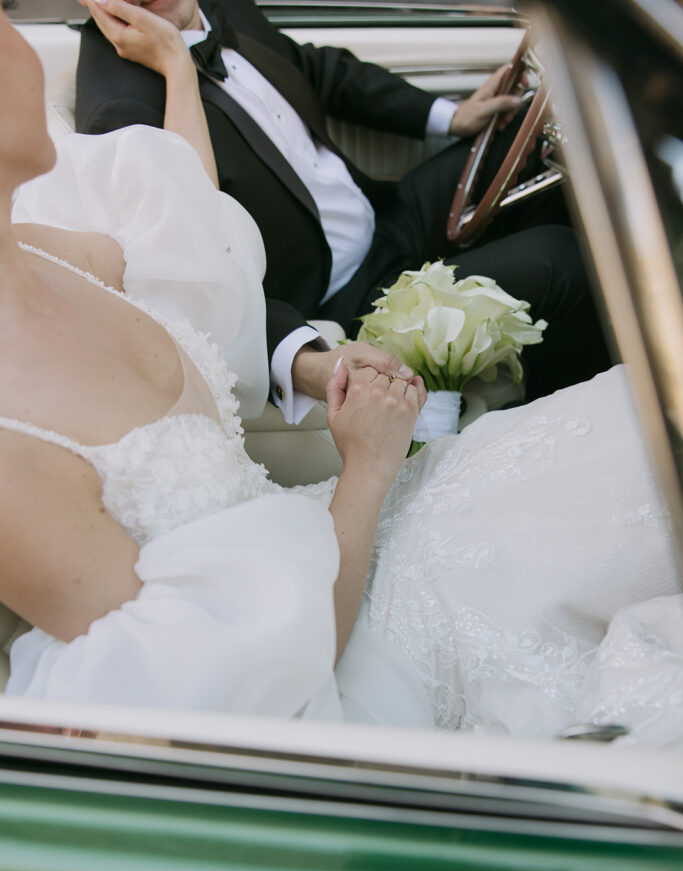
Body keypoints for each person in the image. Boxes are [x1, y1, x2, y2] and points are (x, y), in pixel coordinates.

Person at [1, 7, 681, 744]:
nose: (18, 44)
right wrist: (367, 467)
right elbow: (240, 682)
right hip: (331, 644)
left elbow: (192, 235)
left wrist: (313, 361)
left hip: (325, 527)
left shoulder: (47, 247)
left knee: (626, 445)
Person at [74, 0, 611, 421]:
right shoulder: (120, 108)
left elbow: (316, 69)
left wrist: (451, 114)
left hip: (385, 214)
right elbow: (192, 275)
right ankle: (583, 419)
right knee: (561, 259)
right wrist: (177, 65)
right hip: (344, 296)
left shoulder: (218, 3)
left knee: (543, 141)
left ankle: (561, 351)